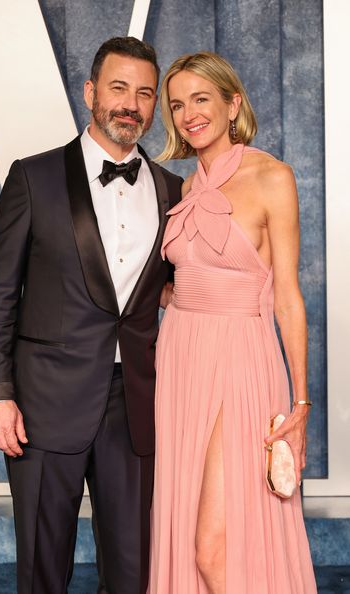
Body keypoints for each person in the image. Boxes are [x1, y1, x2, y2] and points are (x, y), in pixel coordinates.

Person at [0, 37, 182, 594]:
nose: (130, 104)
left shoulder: (173, 191)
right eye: (117, 88)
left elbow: (183, 290)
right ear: (90, 92)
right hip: (41, 402)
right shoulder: (33, 177)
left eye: (143, 93)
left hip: (135, 405)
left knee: (134, 569)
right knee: (42, 566)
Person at [148, 52, 317, 594]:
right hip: (181, 356)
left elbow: (287, 295)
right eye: (177, 104)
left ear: (232, 103)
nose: (189, 114)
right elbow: (188, 274)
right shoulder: (183, 188)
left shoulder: (272, 177)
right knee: (185, 525)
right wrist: (175, 294)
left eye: (202, 99)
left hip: (241, 361)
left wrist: (301, 404)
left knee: (212, 547)